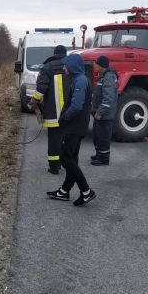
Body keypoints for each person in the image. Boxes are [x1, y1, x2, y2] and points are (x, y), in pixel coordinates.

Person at [46, 53, 96, 206]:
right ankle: (64, 191)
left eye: (65, 65)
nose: (63, 67)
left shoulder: (80, 80)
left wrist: (64, 118)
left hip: (75, 127)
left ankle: (86, 191)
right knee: (71, 159)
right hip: (76, 126)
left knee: (66, 158)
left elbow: (76, 106)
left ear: (73, 66)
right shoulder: (78, 79)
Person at [28, 45, 70, 174]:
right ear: (65, 54)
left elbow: (41, 89)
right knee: (67, 139)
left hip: (54, 111)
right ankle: (69, 164)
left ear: (54, 53)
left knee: (54, 139)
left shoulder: (47, 67)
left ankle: (54, 167)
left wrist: (33, 102)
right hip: (70, 111)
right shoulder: (71, 66)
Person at [91, 55, 118, 166]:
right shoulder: (103, 76)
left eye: (96, 63)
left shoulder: (108, 78)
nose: (94, 65)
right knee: (97, 136)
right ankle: (99, 154)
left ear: (101, 65)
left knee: (103, 137)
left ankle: (104, 159)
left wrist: (99, 112)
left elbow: (108, 99)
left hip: (104, 115)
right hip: (100, 113)